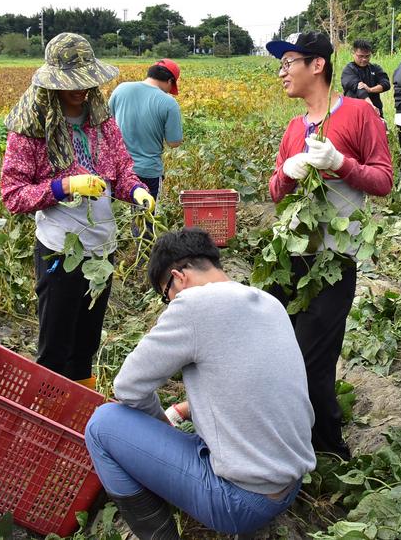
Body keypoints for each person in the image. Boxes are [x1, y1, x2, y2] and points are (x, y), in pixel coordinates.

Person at [84, 228, 315, 538]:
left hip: (241, 503)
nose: (170, 304)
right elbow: (248, 385)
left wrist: (160, 428)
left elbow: (127, 387)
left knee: (102, 424)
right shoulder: (268, 302)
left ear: (178, 278)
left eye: (166, 296)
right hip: (288, 483)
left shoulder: (193, 305)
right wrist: (183, 409)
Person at [1, 33, 154, 390]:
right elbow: (13, 195)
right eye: (74, 82)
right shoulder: (31, 130)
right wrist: (64, 186)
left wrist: (138, 192)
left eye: (87, 81)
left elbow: (122, 170)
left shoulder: (101, 121)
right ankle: (48, 415)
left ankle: (79, 416)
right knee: (56, 346)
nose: (82, 89)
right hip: (60, 250)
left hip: (102, 249)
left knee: (86, 342)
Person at [267, 31, 393, 458]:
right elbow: (275, 193)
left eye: (289, 63)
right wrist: (289, 170)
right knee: (284, 352)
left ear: (317, 65)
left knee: (313, 361)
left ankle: (328, 447)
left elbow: (383, 181)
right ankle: (293, 434)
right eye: (280, 65)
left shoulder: (358, 114)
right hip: (293, 256)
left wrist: (341, 163)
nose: (282, 72)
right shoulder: (293, 128)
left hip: (335, 259)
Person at [108, 59, 183, 201]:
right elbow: (174, 143)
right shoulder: (169, 103)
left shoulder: (121, 89)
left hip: (118, 168)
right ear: (169, 81)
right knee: (145, 219)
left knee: (107, 213)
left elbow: (106, 123)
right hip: (148, 171)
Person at [340, 39, 390, 119]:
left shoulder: (375, 68)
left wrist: (370, 89)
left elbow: (386, 84)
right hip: (354, 114)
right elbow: (359, 88)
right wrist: (370, 106)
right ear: (353, 54)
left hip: (375, 113)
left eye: (367, 56)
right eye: (361, 56)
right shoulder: (348, 70)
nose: (364, 59)